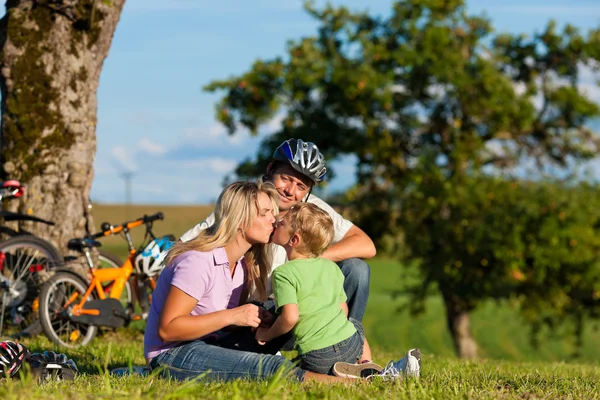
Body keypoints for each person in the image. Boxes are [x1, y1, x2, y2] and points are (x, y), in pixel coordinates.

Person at [144, 181, 355, 383]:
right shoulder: (198, 261)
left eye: (273, 213)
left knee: (284, 316)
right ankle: (350, 384)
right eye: (265, 214)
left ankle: (342, 363)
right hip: (172, 354)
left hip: (212, 341)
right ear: (240, 219)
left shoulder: (242, 264)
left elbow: (215, 321)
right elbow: (168, 330)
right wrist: (233, 316)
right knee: (271, 366)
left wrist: (252, 318)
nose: (274, 220)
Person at [180, 138, 376, 322]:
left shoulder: (310, 209)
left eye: (301, 186)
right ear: (270, 169)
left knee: (357, 270)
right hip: (248, 307)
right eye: (286, 178)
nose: (291, 190)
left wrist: (312, 259)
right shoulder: (245, 201)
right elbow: (189, 245)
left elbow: (366, 245)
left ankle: (347, 344)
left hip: (292, 303)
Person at [254, 202, 421, 379]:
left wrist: (267, 334)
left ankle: (359, 372)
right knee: (355, 325)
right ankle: (365, 365)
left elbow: (289, 318)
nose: (276, 223)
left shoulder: (284, 273)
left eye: (281, 223)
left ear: (294, 240)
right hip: (351, 346)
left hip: (316, 356)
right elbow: (343, 309)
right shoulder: (330, 266)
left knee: (293, 369)